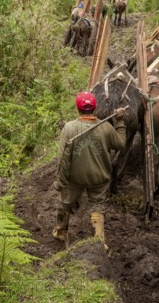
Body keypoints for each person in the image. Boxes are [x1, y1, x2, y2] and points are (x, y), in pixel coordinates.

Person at [52, 91, 127, 246]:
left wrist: (61, 181)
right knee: (97, 205)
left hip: (74, 178)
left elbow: (63, 158)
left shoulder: (69, 128)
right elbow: (120, 144)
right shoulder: (106, 127)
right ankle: (99, 240)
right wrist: (119, 122)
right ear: (95, 108)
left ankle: (61, 231)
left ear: (78, 108)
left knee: (65, 203)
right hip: (98, 178)